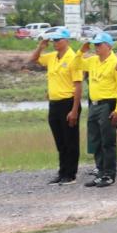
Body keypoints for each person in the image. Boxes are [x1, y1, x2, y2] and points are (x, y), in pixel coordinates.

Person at [31, 27, 84, 185]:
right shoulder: (52, 57)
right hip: (54, 103)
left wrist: (74, 110)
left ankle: (71, 174)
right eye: (53, 40)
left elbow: (78, 86)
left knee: (70, 140)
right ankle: (62, 172)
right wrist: (41, 46)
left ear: (66, 41)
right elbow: (34, 59)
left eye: (58, 40)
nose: (55, 43)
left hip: (68, 102)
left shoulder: (73, 58)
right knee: (60, 141)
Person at [78, 31, 117, 188]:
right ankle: (100, 171)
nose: (96, 47)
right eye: (95, 45)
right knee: (96, 141)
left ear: (109, 46)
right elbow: (75, 65)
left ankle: (109, 174)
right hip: (94, 104)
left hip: (108, 104)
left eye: (99, 44)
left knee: (108, 141)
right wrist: (82, 51)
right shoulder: (92, 61)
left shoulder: (115, 63)